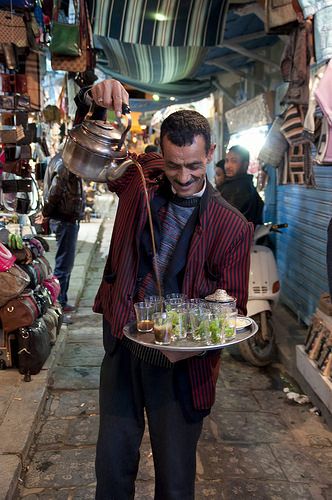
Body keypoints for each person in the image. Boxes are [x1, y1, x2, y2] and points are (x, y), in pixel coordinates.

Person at [75, 78, 253, 499]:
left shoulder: (231, 226)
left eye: (194, 165)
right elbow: (92, 158)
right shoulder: (140, 175)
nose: (184, 176)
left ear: (210, 154)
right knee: (112, 469)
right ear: (161, 154)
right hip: (124, 347)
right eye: (174, 165)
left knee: (175, 483)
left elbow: (233, 309)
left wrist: (188, 342)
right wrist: (95, 104)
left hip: (179, 367)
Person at [36, 149, 84, 319]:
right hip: (65, 219)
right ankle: (58, 307)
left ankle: (62, 300)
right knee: (64, 264)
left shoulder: (61, 160)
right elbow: (56, 191)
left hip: (66, 219)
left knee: (66, 263)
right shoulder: (65, 163)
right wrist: (46, 213)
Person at [219, 145, 264, 226]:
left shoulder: (238, 188)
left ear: (245, 165)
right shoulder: (247, 184)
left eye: (234, 161)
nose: (228, 166)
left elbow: (224, 223)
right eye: (226, 161)